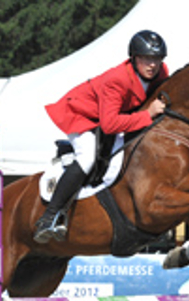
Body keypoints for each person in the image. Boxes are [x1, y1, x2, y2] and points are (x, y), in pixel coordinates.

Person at [33, 30, 170, 244]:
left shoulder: (162, 73)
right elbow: (110, 124)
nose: (152, 65)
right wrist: (147, 115)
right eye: (146, 58)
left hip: (112, 117)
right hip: (81, 115)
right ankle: (49, 217)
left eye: (157, 59)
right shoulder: (118, 80)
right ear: (134, 58)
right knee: (87, 156)